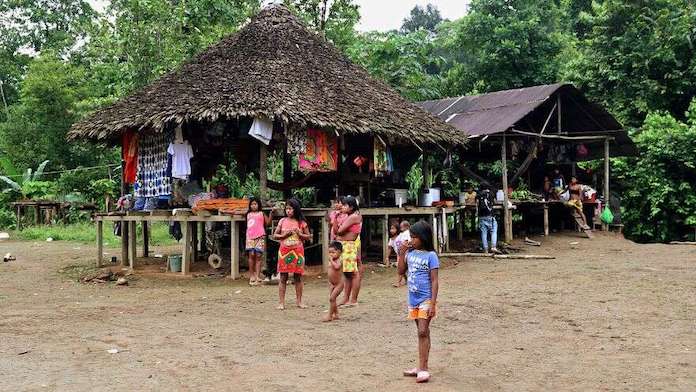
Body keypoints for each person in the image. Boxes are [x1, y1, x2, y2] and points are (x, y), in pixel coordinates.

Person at [397, 220, 439, 384]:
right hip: (413, 299)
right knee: (422, 332)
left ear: (423, 238)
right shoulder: (410, 254)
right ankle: (421, 365)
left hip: (426, 299)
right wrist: (401, 254)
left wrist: (433, 303)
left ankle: (423, 368)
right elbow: (401, 272)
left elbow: (434, 281)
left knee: (422, 331)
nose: (411, 240)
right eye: (410, 237)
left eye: (414, 237)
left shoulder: (431, 256)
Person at [273, 198, 312, 310]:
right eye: (287, 209)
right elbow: (275, 235)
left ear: (296, 209)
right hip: (284, 252)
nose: (288, 211)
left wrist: (300, 234)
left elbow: (308, 237)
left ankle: (299, 301)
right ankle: (281, 302)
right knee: (283, 277)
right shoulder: (282, 221)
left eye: (290, 209)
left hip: (298, 252)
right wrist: (284, 235)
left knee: (298, 277)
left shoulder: (302, 223)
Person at [335, 195, 363, 307]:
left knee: (353, 273)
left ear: (351, 207)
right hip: (345, 245)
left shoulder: (353, 217)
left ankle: (353, 300)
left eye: (345, 205)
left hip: (349, 246)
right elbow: (337, 230)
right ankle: (346, 298)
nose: (342, 206)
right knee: (347, 274)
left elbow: (339, 231)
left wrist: (337, 222)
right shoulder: (352, 216)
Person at [245, 197, 270, 286]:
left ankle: (258, 276)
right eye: (252, 204)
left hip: (260, 236)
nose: (253, 206)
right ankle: (252, 275)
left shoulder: (262, 213)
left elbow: (268, 223)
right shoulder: (248, 214)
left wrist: (271, 214)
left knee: (259, 256)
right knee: (251, 255)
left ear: (258, 205)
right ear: (250, 205)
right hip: (250, 237)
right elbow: (236, 212)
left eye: (255, 204)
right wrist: (225, 211)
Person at [323, 241, 344, 322]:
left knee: (332, 299)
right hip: (332, 283)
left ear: (339, 252)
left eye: (333, 252)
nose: (331, 254)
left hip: (339, 284)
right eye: (330, 252)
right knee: (332, 299)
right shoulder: (333, 259)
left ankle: (330, 315)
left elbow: (337, 267)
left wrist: (331, 261)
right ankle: (336, 314)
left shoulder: (339, 260)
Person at [476, 184, 499, 254]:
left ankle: (485, 249)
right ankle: (493, 247)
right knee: (493, 231)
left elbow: (476, 204)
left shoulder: (478, 195)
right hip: (490, 216)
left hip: (481, 216)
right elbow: (495, 202)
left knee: (484, 233)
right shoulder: (491, 194)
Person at [392, 220, 410, 287]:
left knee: (401, 268)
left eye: (401, 226)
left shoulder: (407, 233)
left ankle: (398, 282)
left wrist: (401, 250)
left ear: (405, 227)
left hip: (405, 253)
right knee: (403, 268)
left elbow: (405, 242)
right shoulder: (403, 233)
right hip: (403, 253)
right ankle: (406, 280)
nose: (400, 228)